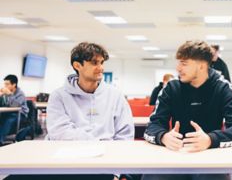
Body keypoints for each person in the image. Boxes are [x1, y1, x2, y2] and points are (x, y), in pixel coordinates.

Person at [6, 42, 135, 180]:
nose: (101, 68)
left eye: (102, 62)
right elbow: (60, 132)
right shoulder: (59, 95)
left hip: (104, 162)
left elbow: (125, 136)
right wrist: (99, 144)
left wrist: (116, 171)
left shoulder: (115, 96)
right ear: (77, 65)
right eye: (94, 62)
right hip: (63, 160)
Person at [143, 40, 232, 180]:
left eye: (184, 63)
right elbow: (153, 125)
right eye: (178, 62)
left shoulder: (222, 88)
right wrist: (163, 137)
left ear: (201, 66)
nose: (178, 68)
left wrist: (211, 139)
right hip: (176, 155)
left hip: (211, 157)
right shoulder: (171, 88)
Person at [0, 74, 29, 146]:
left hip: (20, 115)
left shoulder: (20, 93)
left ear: (14, 84)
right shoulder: (5, 93)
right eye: (4, 84)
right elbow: (4, 104)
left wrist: (9, 94)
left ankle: (0, 141)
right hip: (9, 113)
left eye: (7, 84)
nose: (5, 86)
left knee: (9, 120)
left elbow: (16, 105)